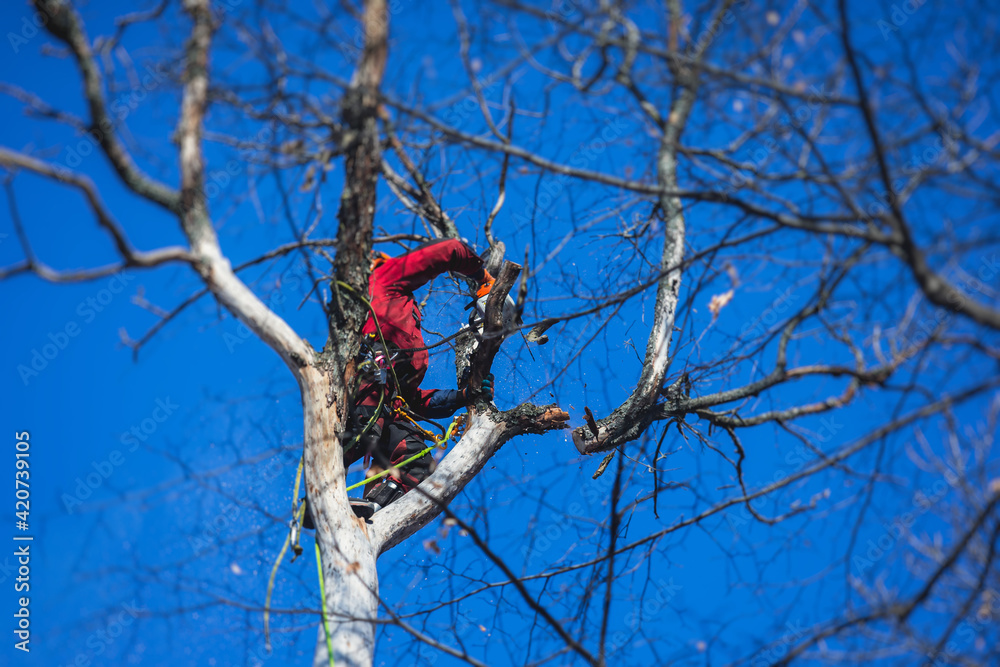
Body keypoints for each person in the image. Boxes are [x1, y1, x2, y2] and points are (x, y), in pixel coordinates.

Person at [306, 239, 495, 525]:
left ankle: (373, 510)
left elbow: (414, 399)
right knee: (362, 432)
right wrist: (482, 277)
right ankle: (319, 498)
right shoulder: (385, 276)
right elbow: (448, 251)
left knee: (418, 463)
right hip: (367, 380)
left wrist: (464, 396)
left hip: (389, 400)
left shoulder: (399, 312)